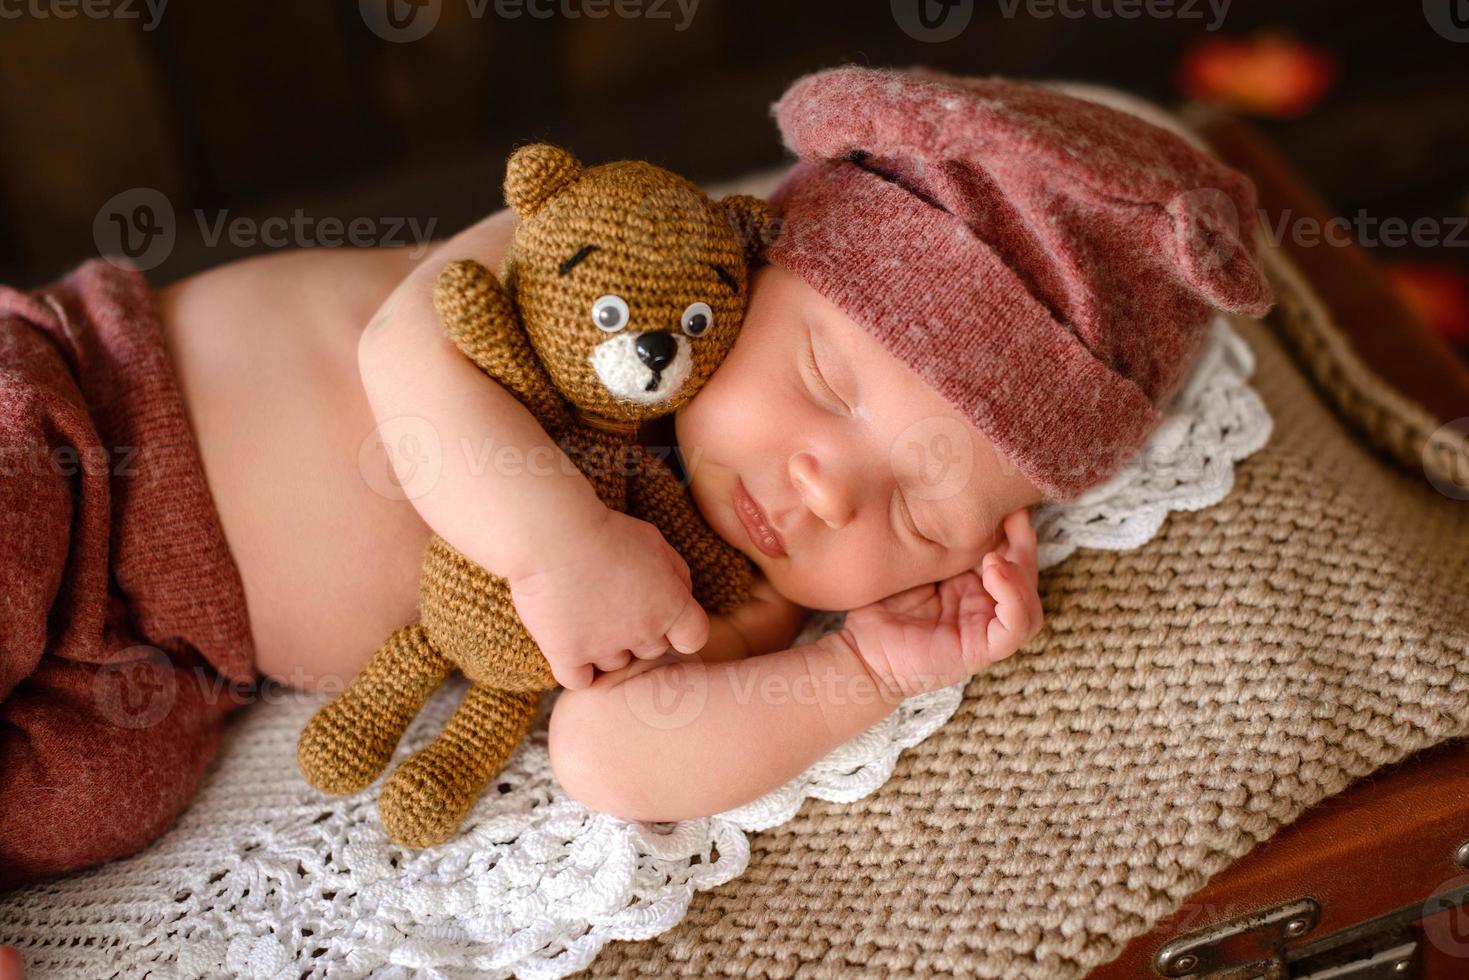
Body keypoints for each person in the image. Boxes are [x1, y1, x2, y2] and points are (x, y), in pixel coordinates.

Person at [0, 66, 1270, 893]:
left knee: (89, 804)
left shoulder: (743, 589)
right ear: (758, 254)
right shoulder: (611, 249)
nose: (826, 489)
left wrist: (864, 668)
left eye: (914, 509)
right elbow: (404, 349)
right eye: (826, 380)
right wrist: (554, 539)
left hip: (157, 661)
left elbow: (608, 752)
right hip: (87, 413)